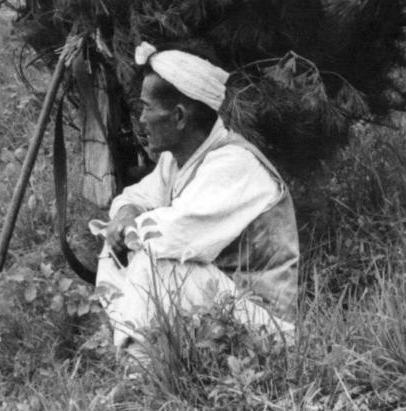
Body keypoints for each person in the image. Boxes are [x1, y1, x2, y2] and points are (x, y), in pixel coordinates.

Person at [94, 41, 299, 355]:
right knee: (117, 246)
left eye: (147, 108)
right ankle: (140, 352)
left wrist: (127, 228)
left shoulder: (234, 164)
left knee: (159, 264)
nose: (142, 120)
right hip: (222, 314)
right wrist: (125, 213)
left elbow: (172, 236)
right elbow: (136, 196)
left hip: (267, 329)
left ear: (178, 116)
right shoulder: (178, 160)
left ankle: (139, 366)